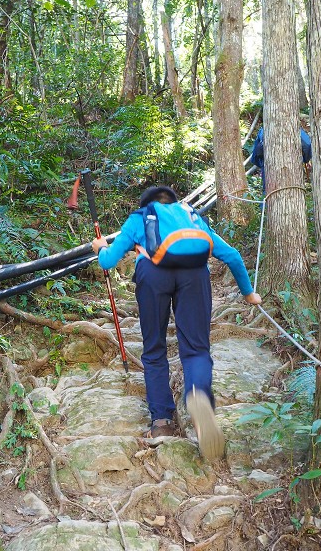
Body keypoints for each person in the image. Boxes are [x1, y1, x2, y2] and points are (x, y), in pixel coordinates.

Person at [91, 186, 262, 460]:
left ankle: (161, 423)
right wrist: (249, 293)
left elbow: (109, 261)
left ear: (146, 204)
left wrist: (101, 249)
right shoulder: (191, 217)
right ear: (174, 202)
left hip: (151, 275)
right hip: (195, 275)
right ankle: (199, 398)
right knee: (196, 349)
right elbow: (232, 256)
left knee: (155, 348)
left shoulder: (140, 218)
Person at [251, 127, 312, 192]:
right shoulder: (295, 129)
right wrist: (305, 159)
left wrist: (262, 163)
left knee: (268, 194)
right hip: (293, 171)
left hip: (269, 172)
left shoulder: (263, 130)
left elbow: (255, 157)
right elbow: (307, 145)